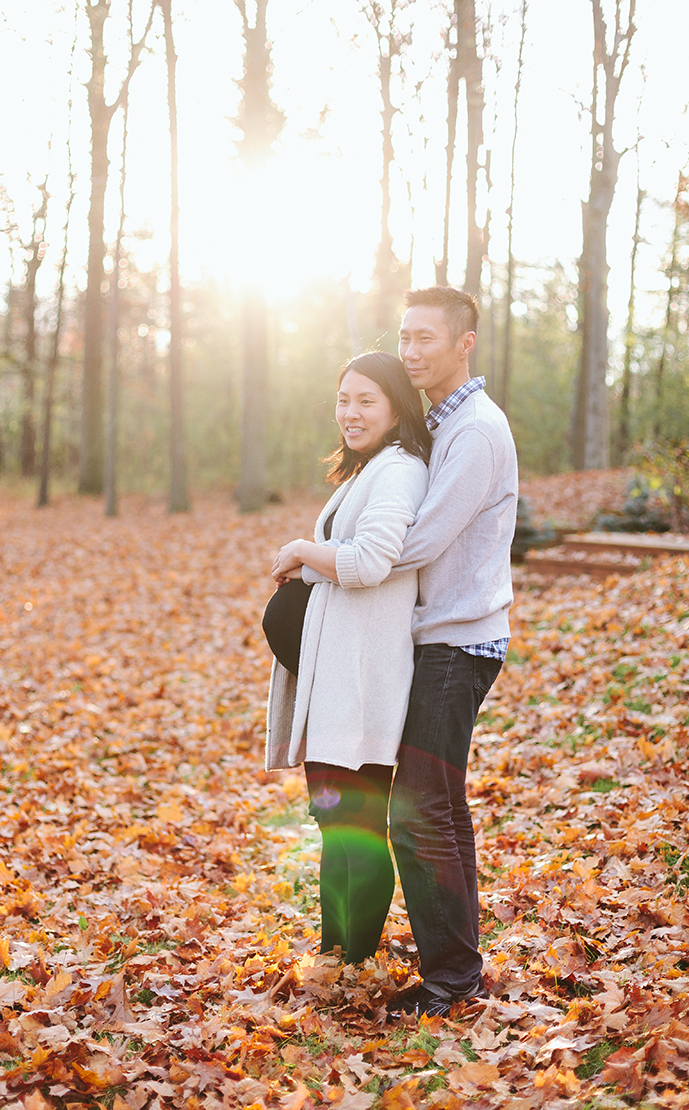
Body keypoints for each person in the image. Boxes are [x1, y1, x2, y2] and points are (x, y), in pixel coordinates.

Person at [264, 351, 431, 965]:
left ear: (395, 407)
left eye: (367, 401)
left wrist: (302, 548)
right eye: (344, 400)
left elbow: (368, 562)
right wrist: (309, 565)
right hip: (339, 680)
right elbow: (352, 559)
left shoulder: (399, 470)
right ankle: (336, 946)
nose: (351, 413)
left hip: (361, 683)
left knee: (356, 827)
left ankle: (354, 956)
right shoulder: (370, 470)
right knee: (336, 822)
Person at [384, 286, 518, 1019]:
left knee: (416, 811)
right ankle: (457, 969)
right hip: (450, 638)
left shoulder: (474, 430)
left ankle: (453, 983)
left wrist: (332, 558)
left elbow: (423, 541)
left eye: (425, 338)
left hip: (456, 642)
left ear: (464, 343)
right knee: (441, 808)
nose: (409, 351)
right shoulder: (445, 424)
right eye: (404, 336)